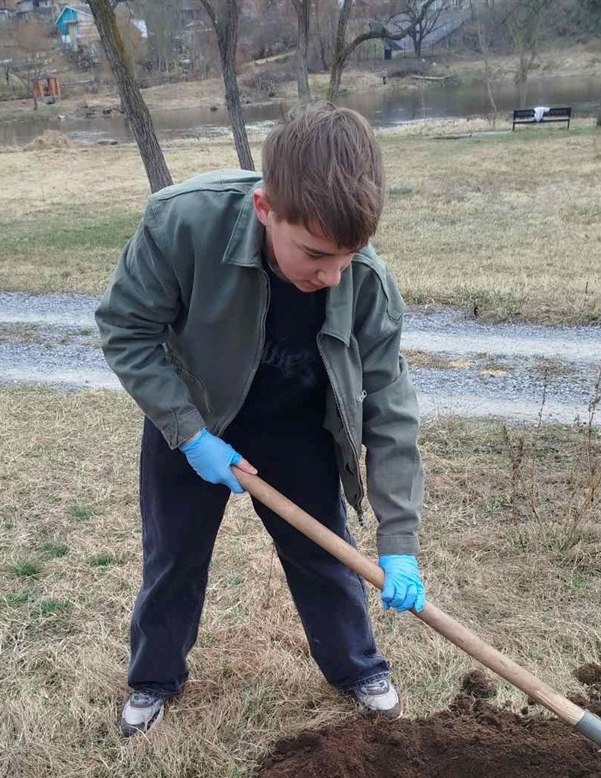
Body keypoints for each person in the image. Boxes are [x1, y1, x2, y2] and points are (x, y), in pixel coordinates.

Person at [96, 103, 426, 736]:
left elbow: (389, 407)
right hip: (195, 414)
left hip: (296, 423)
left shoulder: (367, 281)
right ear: (266, 209)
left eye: (349, 257)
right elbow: (126, 330)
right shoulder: (184, 222)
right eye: (316, 254)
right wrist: (189, 433)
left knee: (324, 554)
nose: (333, 275)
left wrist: (400, 542)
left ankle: (357, 668)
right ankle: (154, 676)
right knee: (174, 556)